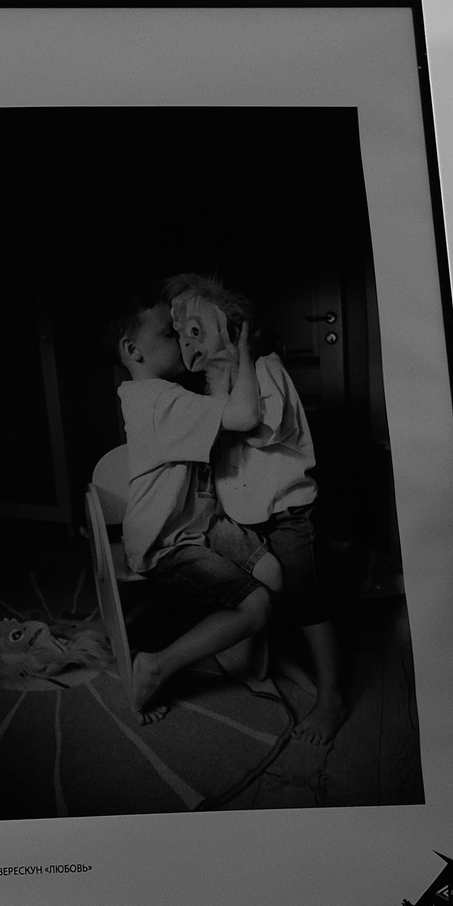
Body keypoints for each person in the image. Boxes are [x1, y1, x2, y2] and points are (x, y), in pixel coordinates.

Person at [168, 272, 345, 744]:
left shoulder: (265, 368)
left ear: (234, 329)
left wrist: (238, 366)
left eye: (197, 330)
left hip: (286, 512)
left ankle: (332, 696)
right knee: (261, 591)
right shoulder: (210, 386)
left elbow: (259, 427)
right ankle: (273, 656)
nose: (189, 344)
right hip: (243, 515)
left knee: (307, 600)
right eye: (182, 335)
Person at [111, 292, 282, 720]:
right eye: (170, 334)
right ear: (133, 349)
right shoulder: (158, 400)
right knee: (257, 604)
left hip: (196, 524)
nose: (181, 341)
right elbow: (243, 417)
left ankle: (240, 648)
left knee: (272, 571)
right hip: (165, 541)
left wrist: (218, 366)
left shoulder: (155, 396)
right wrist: (244, 351)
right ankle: (157, 664)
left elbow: (219, 409)